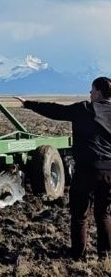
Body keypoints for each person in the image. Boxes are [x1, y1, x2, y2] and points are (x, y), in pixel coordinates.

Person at [15, 76, 111, 260]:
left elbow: (56, 111)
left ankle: (78, 255)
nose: (89, 93)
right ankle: (105, 255)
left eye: (91, 90)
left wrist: (29, 104)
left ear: (98, 92)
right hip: (109, 171)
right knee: (104, 214)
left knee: (80, 215)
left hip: (86, 170)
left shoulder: (84, 109)